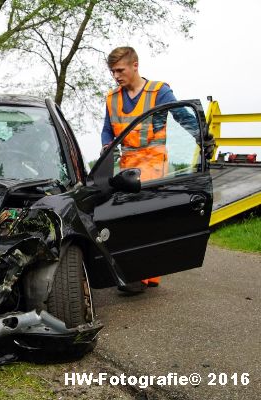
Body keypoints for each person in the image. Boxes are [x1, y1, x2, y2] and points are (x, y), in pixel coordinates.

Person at [100, 46, 174, 293]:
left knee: (144, 221)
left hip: (154, 164)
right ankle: (145, 275)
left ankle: (139, 276)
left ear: (135, 65)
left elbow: (182, 116)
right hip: (128, 166)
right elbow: (107, 130)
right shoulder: (113, 98)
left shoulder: (159, 92)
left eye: (120, 70)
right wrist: (105, 145)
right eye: (112, 72)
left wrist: (202, 138)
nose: (116, 76)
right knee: (128, 220)